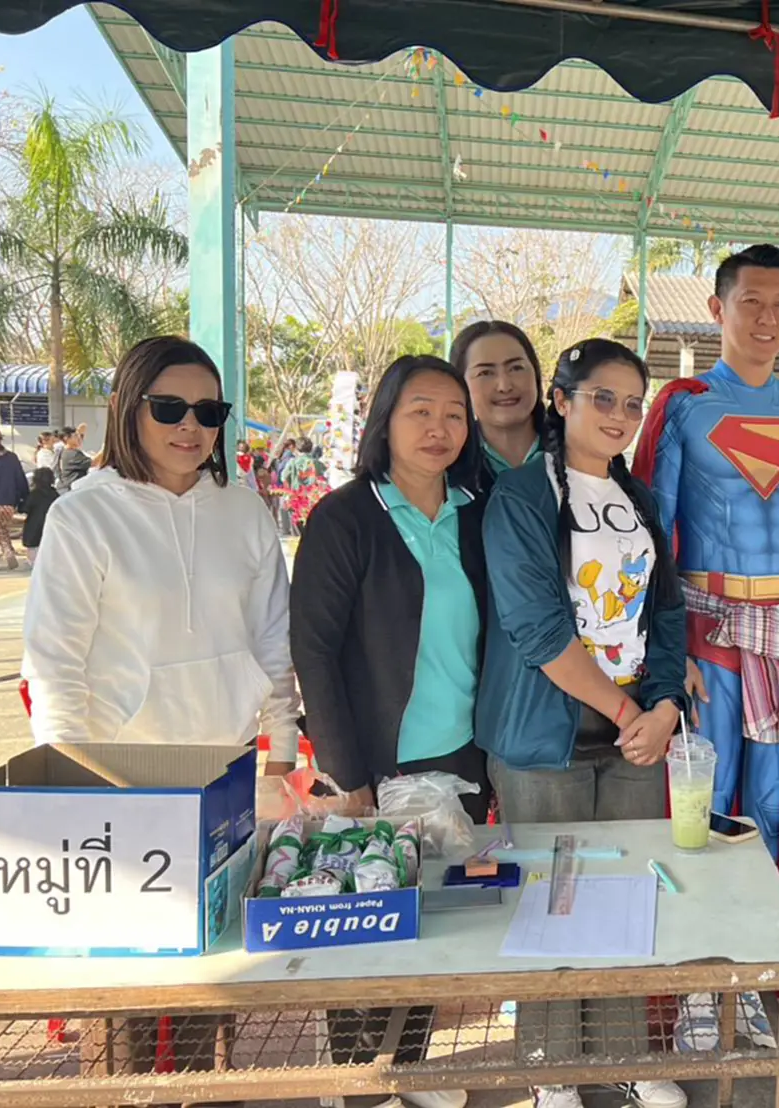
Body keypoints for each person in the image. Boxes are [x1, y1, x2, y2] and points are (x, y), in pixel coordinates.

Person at [19, 336, 298, 1080]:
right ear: (126, 408)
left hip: (226, 780)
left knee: (218, 979)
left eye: (209, 411)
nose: (191, 426)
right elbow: (55, 664)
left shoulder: (245, 512)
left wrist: (279, 751)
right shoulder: (84, 518)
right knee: (124, 996)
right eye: (169, 407)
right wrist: (70, 784)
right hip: (121, 785)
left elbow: (272, 642)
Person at [634, 244, 779, 1052]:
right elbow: (655, 529)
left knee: (771, 812)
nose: (766, 318)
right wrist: (668, 650)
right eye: (750, 301)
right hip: (705, 633)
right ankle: (695, 986)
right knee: (703, 812)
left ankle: (752, 979)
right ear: (717, 310)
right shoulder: (684, 407)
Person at [479, 338, 687, 1108]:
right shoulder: (520, 498)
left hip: (634, 735)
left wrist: (665, 705)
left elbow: (666, 612)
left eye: (633, 403)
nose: (620, 415)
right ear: (561, 401)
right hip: (546, 738)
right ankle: (551, 1069)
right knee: (551, 898)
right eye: (603, 398)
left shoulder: (642, 502)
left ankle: (624, 1053)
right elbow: (537, 632)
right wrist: (632, 711)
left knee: (625, 892)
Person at [289, 354, 484, 1108]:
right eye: (420, 411)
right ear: (385, 422)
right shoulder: (346, 518)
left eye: (454, 414)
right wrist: (345, 772)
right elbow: (313, 649)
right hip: (374, 759)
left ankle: (412, 1067)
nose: (439, 428)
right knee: (361, 921)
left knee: (430, 915)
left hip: (459, 757)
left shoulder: (475, 513)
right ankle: (356, 1082)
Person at [449, 319, 544, 492]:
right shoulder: (448, 464)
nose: (504, 386)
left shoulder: (577, 450)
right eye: (485, 372)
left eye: (516, 368)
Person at [0, 426, 28, 571]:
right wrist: (24, 497)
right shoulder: (11, 457)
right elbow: (20, 479)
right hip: (7, 502)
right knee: (2, 529)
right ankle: (8, 551)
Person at [282, 435, 329, 530]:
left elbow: (284, 477)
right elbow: (325, 476)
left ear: (297, 448)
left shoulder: (292, 463)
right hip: (313, 498)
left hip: (296, 498)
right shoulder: (317, 463)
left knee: (298, 528)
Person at [20, 467, 57, 567]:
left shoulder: (34, 494)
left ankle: (33, 563)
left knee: (33, 548)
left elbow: (24, 509)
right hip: (50, 525)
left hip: (34, 526)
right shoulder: (55, 494)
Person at [54, 427, 91, 492]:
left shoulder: (63, 451)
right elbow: (94, 462)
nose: (79, 438)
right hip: (70, 490)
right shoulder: (72, 454)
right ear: (66, 438)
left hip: (67, 488)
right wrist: (105, 449)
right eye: (76, 436)